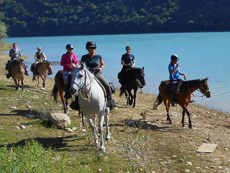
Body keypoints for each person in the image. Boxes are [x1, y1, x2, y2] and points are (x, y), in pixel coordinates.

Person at [80, 41, 116, 109]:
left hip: (98, 73)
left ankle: (110, 101)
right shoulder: (84, 57)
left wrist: (100, 68)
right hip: (89, 74)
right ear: (88, 49)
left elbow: (103, 65)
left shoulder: (98, 56)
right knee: (79, 86)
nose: (93, 49)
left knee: (107, 85)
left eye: (94, 48)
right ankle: (77, 103)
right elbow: (80, 65)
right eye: (91, 48)